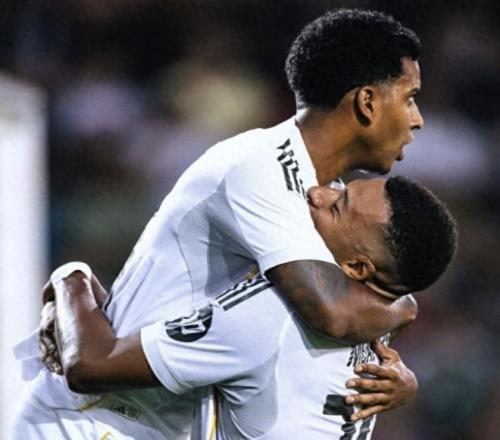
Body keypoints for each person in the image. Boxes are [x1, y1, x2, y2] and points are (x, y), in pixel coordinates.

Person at [13, 8, 427, 439]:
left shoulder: (326, 196)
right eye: (410, 97)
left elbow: (358, 304)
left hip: (158, 423)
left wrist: (402, 375)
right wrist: (71, 277)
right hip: (94, 418)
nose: (417, 119)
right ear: (367, 102)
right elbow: (337, 313)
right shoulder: (261, 168)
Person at [13, 176, 457, 440]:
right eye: (341, 185)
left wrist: (69, 276)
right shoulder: (375, 310)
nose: (317, 193)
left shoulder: (273, 312)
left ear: (357, 267)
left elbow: (91, 364)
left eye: (338, 207)